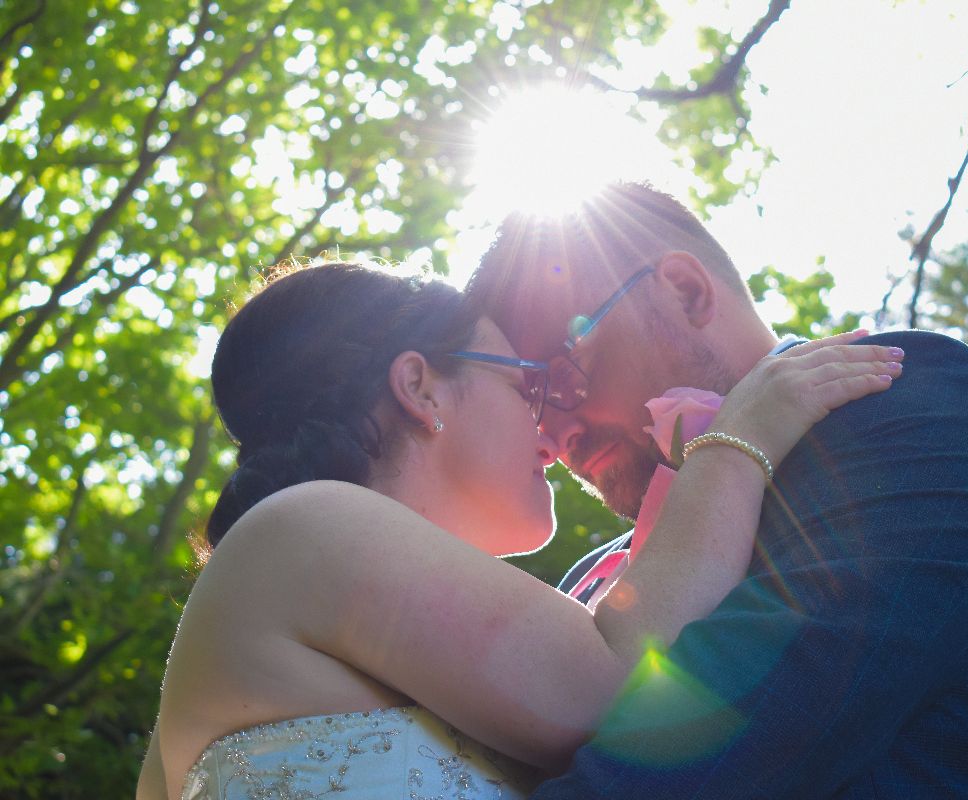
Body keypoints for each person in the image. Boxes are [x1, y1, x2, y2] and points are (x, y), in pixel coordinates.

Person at [135, 260, 903, 800]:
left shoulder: (296, 575)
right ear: (418, 387)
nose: (551, 433)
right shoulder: (304, 526)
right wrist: (738, 439)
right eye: (526, 386)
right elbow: (612, 689)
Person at [466, 181, 968, 798]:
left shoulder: (904, 406)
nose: (558, 435)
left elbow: (729, 752)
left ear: (685, 292)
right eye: (531, 404)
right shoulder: (591, 578)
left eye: (560, 375)